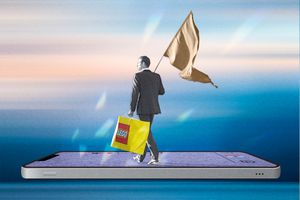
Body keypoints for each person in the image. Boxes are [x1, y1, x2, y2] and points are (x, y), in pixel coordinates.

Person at [128, 56, 165, 165]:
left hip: (143, 109)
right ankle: (140, 157)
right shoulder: (156, 76)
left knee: (146, 133)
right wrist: (152, 87)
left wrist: (131, 109)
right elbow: (162, 91)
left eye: (138, 63)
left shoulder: (138, 76)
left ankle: (155, 158)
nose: (137, 65)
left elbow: (134, 94)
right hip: (153, 108)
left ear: (144, 63)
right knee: (145, 132)